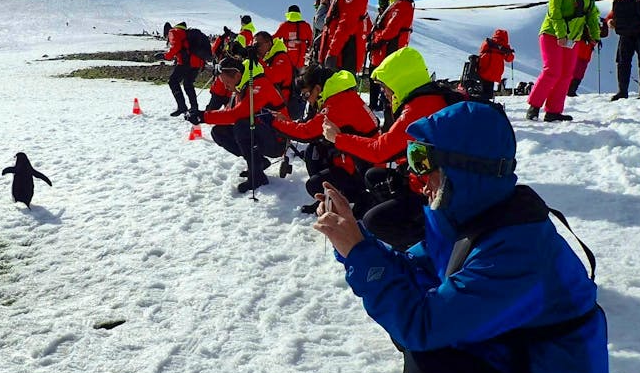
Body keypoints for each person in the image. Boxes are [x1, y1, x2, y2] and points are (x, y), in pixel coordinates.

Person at [313, 101, 609, 373]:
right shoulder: (469, 217)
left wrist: (358, 251)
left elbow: (422, 324)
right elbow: (412, 274)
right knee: (418, 333)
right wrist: (358, 242)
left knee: (427, 366)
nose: (418, 175)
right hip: (517, 363)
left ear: (468, 168)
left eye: (424, 160)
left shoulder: (515, 251)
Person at [322, 47, 463, 249]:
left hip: (439, 193)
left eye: (387, 87)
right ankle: (415, 225)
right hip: (442, 181)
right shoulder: (434, 97)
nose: (386, 94)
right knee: (375, 176)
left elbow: (380, 150)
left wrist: (338, 138)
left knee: (374, 221)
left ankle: (425, 246)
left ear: (400, 82)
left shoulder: (418, 108)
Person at [271, 66, 379, 213]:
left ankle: (362, 198)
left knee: (313, 185)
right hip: (358, 159)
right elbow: (311, 125)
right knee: (314, 150)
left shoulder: (337, 103)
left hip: (364, 169)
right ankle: (329, 198)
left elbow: (307, 133)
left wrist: (275, 123)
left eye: (306, 94)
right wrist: (286, 122)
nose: (307, 99)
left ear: (317, 88)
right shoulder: (339, 94)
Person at [526, 0, 600, 122]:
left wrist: (594, 35)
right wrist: (560, 33)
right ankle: (534, 107)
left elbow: (591, 12)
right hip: (552, 33)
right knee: (552, 71)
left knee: (567, 75)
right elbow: (554, 10)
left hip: (572, 37)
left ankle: (553, 111)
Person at [187, 57, 286, 193]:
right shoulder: (242, 87)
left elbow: (236, 114)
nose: (226, 87)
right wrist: (203, 116)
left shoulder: (259, 85)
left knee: (242, 126)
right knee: (219, 131)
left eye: (227, 82)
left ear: (238, 75)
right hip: (263, 133)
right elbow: (229, 114)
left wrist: (203, 116)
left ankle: (257, 177)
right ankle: (258, 163)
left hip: (278, 140)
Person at [162, 22, 205, 118]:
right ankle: (194, 107)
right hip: (197, 63)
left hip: (186, 63)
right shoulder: (186, 33)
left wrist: (165, 56)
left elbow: (176, 47)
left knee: (173, 82)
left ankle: (182, 106)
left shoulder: (173, 31)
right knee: (188, 84)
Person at [366, 0, 392, 115]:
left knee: (381, 81)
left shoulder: (389, 14)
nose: (380, 3)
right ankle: (373, 103)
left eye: (382, 0)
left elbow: (386, 33)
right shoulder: (381, 14)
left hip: (383, 54)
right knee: (373, 80)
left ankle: (382, 105)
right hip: (375, 55)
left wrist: (375, 43)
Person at [478, 29, 515, 101]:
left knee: (484, 87)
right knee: (489, 89)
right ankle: (486, 102)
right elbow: (509, 59)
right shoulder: (505, 46)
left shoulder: (488, 42)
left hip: (484, 68)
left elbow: (481, 51)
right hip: (494, 71)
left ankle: (482, 100)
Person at [274, 5, 314, 71]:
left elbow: (275, 38)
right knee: (300, 78)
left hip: (287, 59)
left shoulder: (284, 25)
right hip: (301, 59)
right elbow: (311, 41)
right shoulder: (306, 26)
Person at [311, 0, 337, 64]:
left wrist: (323, 5)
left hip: (325, 52)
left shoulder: (330, 15)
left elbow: (318, 22)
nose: (317, 9)